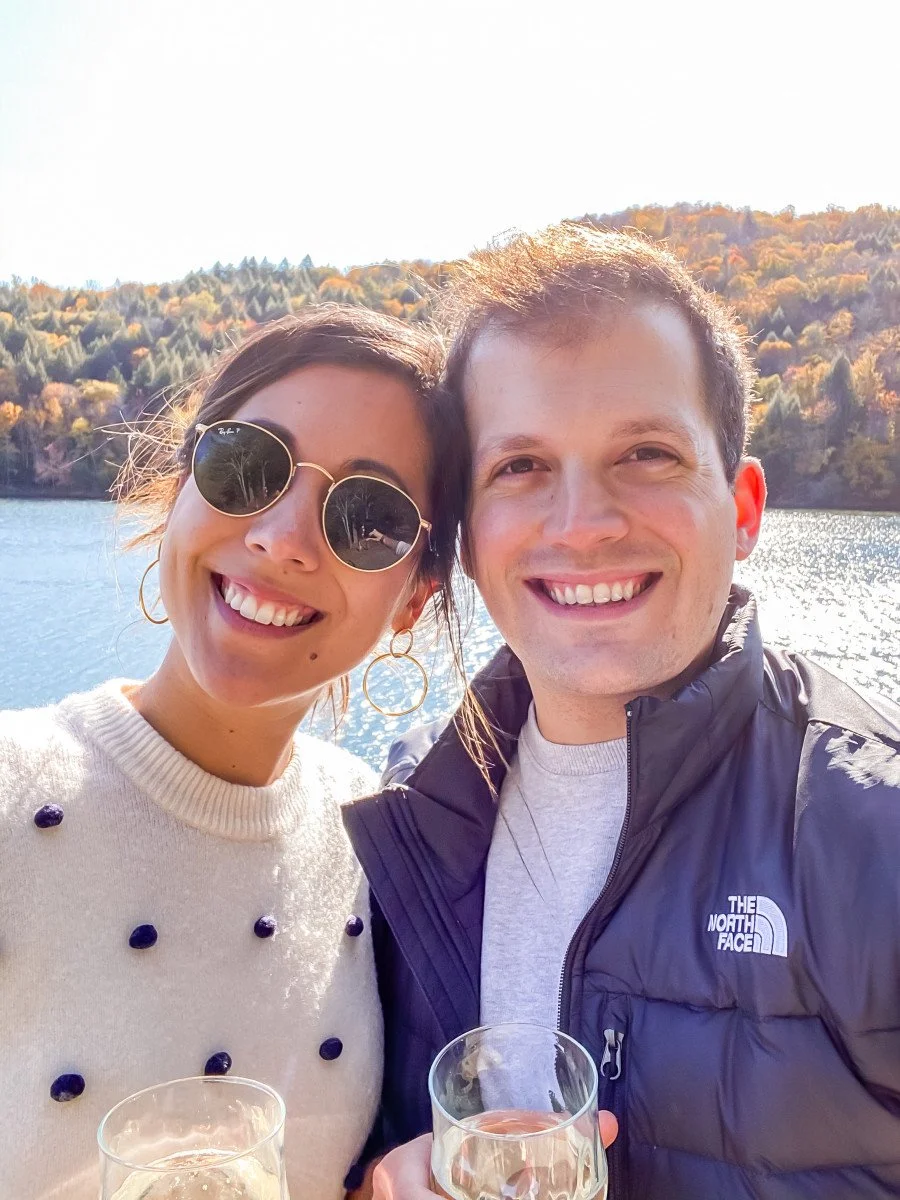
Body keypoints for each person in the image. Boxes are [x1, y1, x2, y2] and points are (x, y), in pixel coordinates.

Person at [343, 225, 900, 1199]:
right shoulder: (413, 815)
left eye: (645, 453)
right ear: (468, 538)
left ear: (743, 508)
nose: (583, 524)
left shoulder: (870, 829)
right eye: (520, 467)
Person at [0, 305, 469, 1200]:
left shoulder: (370, 837)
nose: (280, 539)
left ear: (414, 598)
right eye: (246, 466)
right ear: (181, 487)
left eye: (368, 517)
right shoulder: (12, 792)